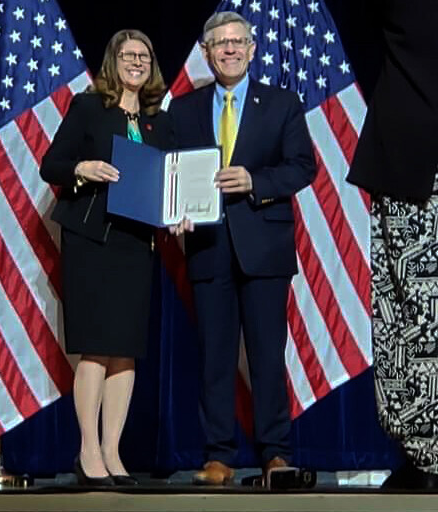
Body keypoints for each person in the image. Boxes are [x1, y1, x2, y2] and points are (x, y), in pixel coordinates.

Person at [168, 11, 315, 486]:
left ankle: (275, 452)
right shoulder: (184, 110)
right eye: (219, 43)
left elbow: (302, 168)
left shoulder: (282, 103)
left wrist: (255, 182)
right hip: (208, 246)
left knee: (268, 355)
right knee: (215, 357)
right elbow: (172, 174)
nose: (229, 50)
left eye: (237, 42)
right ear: (206, 52)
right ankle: (219, 456)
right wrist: (175, 212)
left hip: (265, 246)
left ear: (252, 50)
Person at [40, 29, 171, 486]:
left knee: (126, 352)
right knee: (96, 347)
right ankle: (87, 450)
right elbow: (50, 164)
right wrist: (82, 168)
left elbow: (169, 181)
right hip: (92, 240)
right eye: (127, 54)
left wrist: (179, 214)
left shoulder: (159, 119)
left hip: (137, 243)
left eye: (144, 55)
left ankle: (113, 451)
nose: (136, 61)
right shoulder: (88, 107)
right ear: (112, 61)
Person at [346, 0, 438, 490]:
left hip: (412, 161)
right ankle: (422, 454)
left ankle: (429, 454)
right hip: (405, 163)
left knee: (417, 314)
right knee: (402, 314)